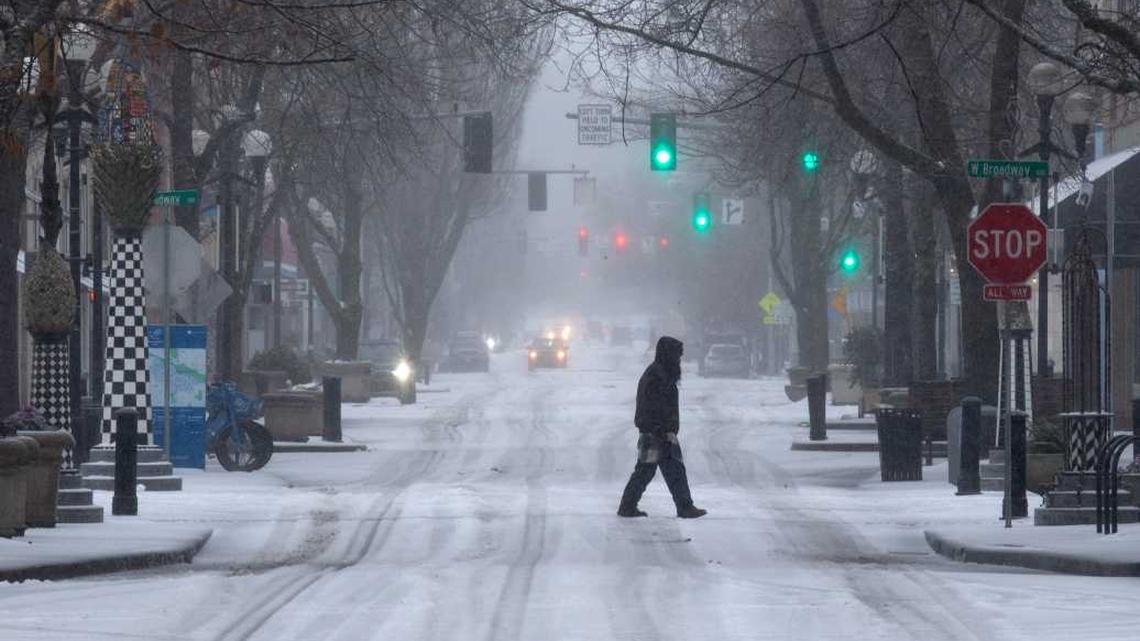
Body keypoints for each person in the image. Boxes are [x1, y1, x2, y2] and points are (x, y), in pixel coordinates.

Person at [618, 336, 707, 519]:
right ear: (668, 355)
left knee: (649, 471)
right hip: (657, 433)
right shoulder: (657, 377)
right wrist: (662, 429)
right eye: (677, 356)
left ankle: (628, 506)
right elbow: (653, 406)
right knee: (668, 470)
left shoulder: (660, 374)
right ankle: (684, 507)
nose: (679, 361)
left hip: (658, 432)